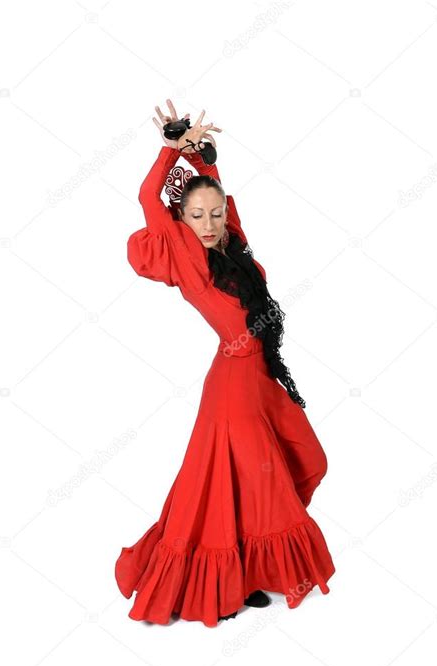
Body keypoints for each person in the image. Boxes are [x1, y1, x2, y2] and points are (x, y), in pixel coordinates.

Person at [114, 99, 335, 627]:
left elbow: (216, 195)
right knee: (249, 486)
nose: (208, 223)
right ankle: (232, 582)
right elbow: (150, 196)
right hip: (232, 389)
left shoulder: (232, 244)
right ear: (181, 221)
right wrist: (170, 151)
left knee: (304, 460)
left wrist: (203, 158)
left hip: (258, 377)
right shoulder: (186, 255)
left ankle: (246, 572)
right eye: (197, 216)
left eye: (214, 214)